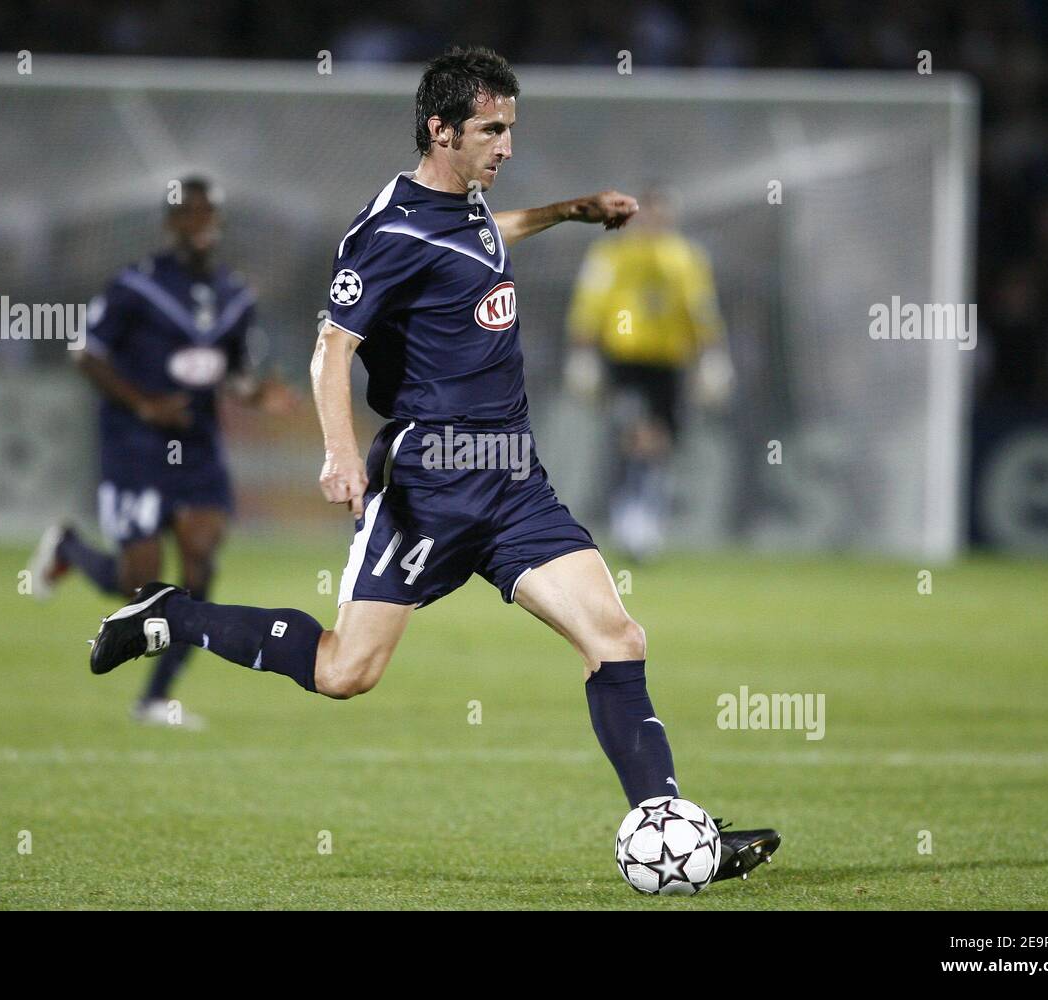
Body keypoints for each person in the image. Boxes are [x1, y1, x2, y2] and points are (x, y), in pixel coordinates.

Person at [86, 48, 779, 882]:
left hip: (514, 482)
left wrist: (571, 210)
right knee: (347, 672)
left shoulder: (465, 203)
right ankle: (175, 614)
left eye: (511, 128)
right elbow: (329, 350)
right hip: (430, 484)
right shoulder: (392, 231)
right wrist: (341, 455)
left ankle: (673, 830)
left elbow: (488, 232)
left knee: (618, 637)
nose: (507, 145)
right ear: (441, 130)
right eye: (492, 129)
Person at [28, 176, 296, 727]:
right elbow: (86, 352)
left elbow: (234, 372)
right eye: (190, 213)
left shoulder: (233, 294)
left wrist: (255, 394)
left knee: (200, 560)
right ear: (171, 222)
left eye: (209, 213)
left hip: (197, 447)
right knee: (139, 584)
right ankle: (69, 548)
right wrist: (145, 404)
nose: (201, 223)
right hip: (137, 445)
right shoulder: (135, 285)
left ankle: (155, 697)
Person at [565, 183, 730, 560]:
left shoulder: (686, 258)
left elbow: (701, 309)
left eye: (662, 213)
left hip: (668, 360)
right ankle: (631, 517)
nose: (655, 220)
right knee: (635, 433)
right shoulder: (612, 254)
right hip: (624, 358)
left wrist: (713, 357)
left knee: (660, 441)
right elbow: (589, 304)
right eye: (648, 213)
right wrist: (582, 355)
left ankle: (645, 513)